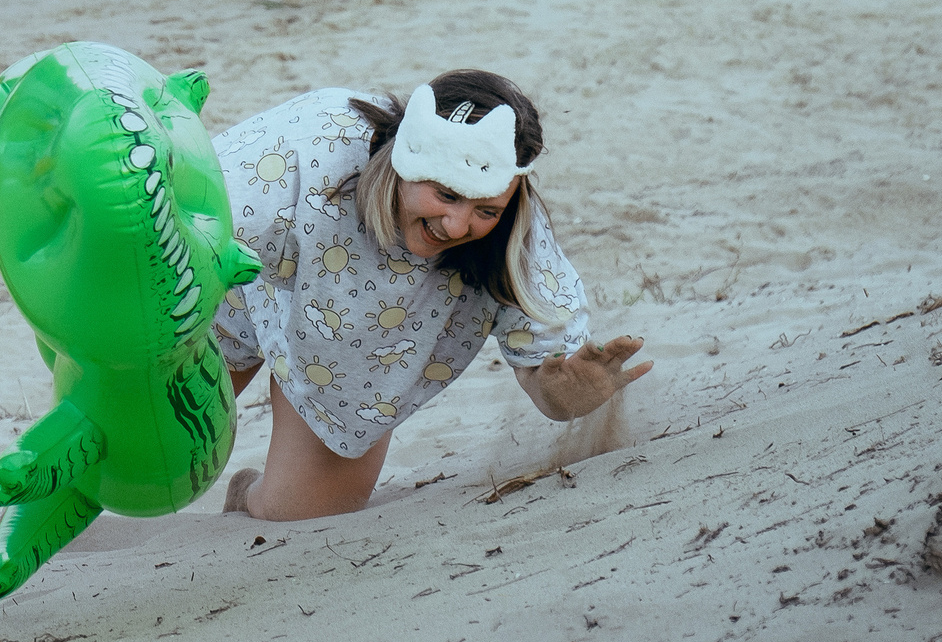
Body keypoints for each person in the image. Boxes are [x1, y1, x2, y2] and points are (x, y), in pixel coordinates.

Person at [210, 69, 650, 520]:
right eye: (446, 194)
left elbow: (543, 375)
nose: (457, 227)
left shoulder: (515, 244)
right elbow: (178, 215)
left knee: (299, 513)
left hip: (342, 351)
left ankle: (245, 493)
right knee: (161, 446)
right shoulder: (306, 149)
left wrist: (564, 396)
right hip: (233, 270)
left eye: (485, 209)